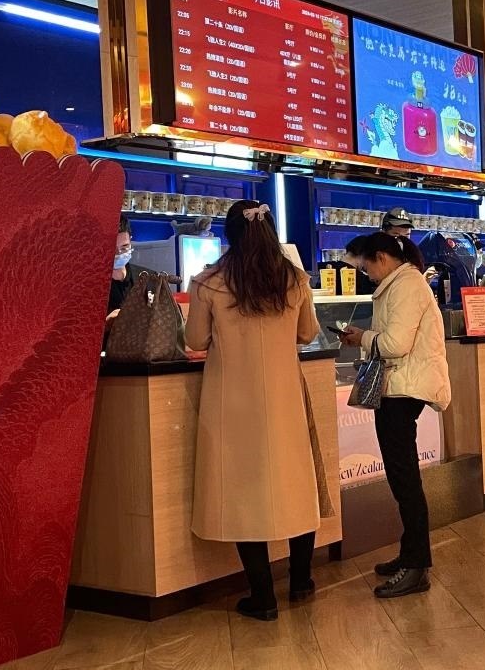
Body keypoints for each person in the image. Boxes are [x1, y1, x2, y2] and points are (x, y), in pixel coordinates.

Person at [186, 201, 325, 621]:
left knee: (243, 493)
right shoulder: (294, 279)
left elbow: (195, 340)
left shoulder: (209, 282)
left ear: (229, 235)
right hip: (285, 398)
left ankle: (262, 597)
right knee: (296, 485)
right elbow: (307, 333)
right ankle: (301, 581)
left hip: (232, 402)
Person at [341, 232, 450, 598]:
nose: (366, 273)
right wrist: (366, 336)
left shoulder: (405, 286)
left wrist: (362, 337)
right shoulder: (401, 284)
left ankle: (417, 567)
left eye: (366, 266)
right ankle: (409, 553)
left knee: (405, 481)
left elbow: (394, 344)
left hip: (403, 390)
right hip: (398, 388)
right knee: (402, 478)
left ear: (383, 258)